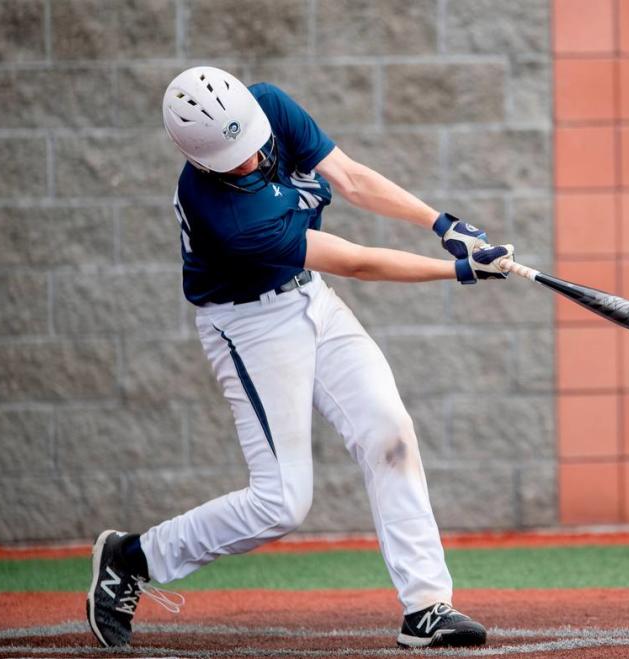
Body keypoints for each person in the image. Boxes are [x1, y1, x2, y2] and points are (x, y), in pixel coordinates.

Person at [85, 66, 513, 650]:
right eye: (233, 156)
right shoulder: (230, 217)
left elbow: (354, 179)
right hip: (249, 325)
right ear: (199, 159)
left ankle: (426, 607)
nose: (252, 158)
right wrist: (459, 270)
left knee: (390, 430)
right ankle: (132, 558)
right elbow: (359, 261)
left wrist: (444, 225)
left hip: (311, 297)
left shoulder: (267, 107)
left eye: (252, 143)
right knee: (282, 503)